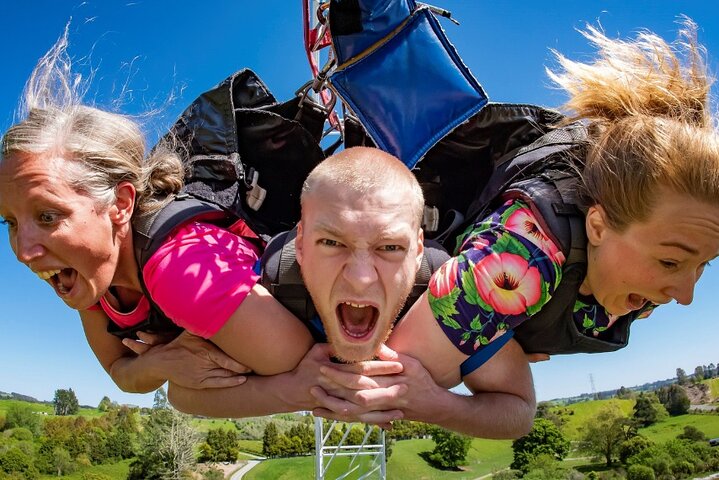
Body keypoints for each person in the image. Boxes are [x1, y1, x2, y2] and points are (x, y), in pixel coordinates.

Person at [303, 20, 719, 425]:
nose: (685, 294)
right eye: (670, 262)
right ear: (597, 226)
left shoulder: (644, 275)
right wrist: (487, 356)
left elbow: (514, 412)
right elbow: (375, 388)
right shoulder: (522, 256)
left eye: (703, 265)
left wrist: (481, 362)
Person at [0, 30, 314, 395]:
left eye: (48, 217)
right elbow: (120, 371)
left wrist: (176, 371)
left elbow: (303, 367)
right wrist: (164, 361)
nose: (23, 252)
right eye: (10, 222)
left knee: (183, 396)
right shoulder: (91, 277)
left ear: (121, 204)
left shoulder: (179, 270)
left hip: (328, 336)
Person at [168, 146, 537, 438]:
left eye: (389, 247)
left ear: (417, 251)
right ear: (301, 245)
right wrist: (292, 390)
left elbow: (518, 412)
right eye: (332, 242)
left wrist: (434, 404)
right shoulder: (271, 282)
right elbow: (182, 392)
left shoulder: (444, 293)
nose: (360, 278)